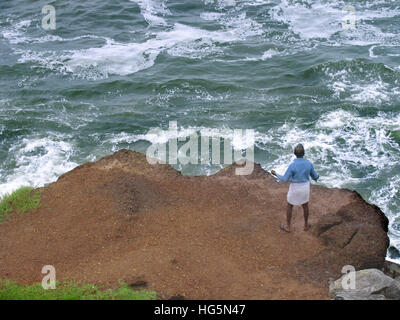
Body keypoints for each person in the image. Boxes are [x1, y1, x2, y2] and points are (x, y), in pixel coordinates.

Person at [270, 144, 319, 233]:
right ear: (304, 153)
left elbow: (285, 179)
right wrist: (317, 177)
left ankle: (288, 227)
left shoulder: (292, 166)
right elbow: (315, 177)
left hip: (295, 187)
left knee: (290, 206)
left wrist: (276, 174)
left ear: (294, 154)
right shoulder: (309, 164)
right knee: (305, 205)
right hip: (305, 187)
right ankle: (305, 225)